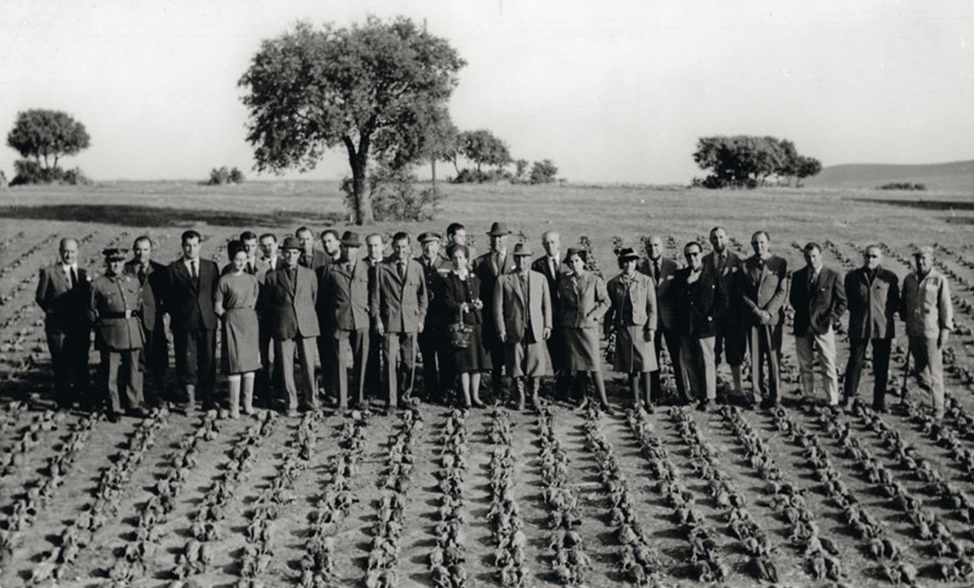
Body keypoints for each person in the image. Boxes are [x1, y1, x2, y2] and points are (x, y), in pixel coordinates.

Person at [263, 236, 320, 415]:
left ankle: (311, 399)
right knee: (286, 367)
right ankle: (291, 403)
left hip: (306, 325)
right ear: (282, 254)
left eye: (294, 253)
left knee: (309, 365)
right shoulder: (272, 276)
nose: (290, 256)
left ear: (299, 254)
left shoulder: (310, 274)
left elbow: (314, 298)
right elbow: (268, 304)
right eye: (287, 253)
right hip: (283, 325)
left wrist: (305, 315)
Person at [372, 232, 428, 410]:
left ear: (409, 248)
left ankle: (405, 396)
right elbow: (375, 298)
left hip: (410, 321)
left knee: (409, 362)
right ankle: (391, 400)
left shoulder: (417, 267)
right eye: (397, 247)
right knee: (389, 361)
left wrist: (421, 318)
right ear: (392, 247)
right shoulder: (382, 267)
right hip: (390, 321)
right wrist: (377, 320)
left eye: (404, 247)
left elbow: (423, 296)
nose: (400, 251)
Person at [165, 230, 219, 413]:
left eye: (195, 245)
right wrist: (180, 317)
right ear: (182, 246)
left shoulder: (210, 267)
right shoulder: (173, 269)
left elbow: (214, 294)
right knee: (186, 361)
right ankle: (189, 399)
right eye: (188, 245)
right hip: (184, 323)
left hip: (207, 321)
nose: (191, 249)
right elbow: (169, 299)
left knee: (208, 360)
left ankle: (208, 398)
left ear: (200, 246)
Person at [35, 237, 92, 409]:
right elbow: (41, 298)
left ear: (78, 252)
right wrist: (55, 313)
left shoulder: (83, 274)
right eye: (66, 251)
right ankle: (64, 401)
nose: (69, 255)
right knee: (61, 363)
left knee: (81, 362)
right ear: (60, 252)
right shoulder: (50, 272)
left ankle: (84, 400)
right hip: (58, 328)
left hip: (79, 326)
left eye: (72, 251)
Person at [495, 243, 552, 410]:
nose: (522, 261)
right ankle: (520, 395)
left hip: (535, 327)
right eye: (518, 257)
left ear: (530, 258)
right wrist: (501, 328)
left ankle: (534, 394)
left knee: (536, 362)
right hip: (514, 327)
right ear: (514, 258)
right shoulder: (504, 280)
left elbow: (546, 304)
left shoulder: (539, 278)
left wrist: (547, 325)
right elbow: (498, 308)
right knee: (515, 362)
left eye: (525, 257)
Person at [90, 248, 145, 421]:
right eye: (113, 261)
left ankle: (132, 404)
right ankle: (113, 407)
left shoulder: (133, 281)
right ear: (107, 263)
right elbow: (90, 310)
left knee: (132, 370)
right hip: (110, 332)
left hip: (131, 330)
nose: (116, 265)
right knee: (110, 373)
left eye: (120, 261)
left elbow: (138, 306)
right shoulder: (98, 285)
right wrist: (100, 327)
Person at [843, 245, 900, 412]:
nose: (870, 259)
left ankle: (879, 400)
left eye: (874, 256)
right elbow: (849, 302)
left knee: (881, 364)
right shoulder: (853, 277)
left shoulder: (889, 278)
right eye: (868, 256)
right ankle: (849, 399)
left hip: (882, 327)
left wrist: (883, 315)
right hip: (859, 326)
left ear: (880, 259)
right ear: (863, 256)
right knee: (855, 362)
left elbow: (894, 302)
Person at [318, 231, 371, 410]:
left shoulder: (366, 268)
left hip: (361, 319)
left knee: (361, 360)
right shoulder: (330, 269)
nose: (349, 251)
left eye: (353, 247)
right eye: (346, 247)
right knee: (339, 361)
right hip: (339, 320)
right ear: (341, 247)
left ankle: (359, 398)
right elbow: (324, 298)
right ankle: (341, 400)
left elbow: (373, 293)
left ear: (357, 249)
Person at [790, 242, 847, 407]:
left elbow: (842, 302)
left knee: (828, 362)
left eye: (814, 256)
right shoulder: (799, 276)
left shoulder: (832, 275)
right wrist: (804, 314)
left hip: (823, 327)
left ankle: (832, 398)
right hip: (802, 325)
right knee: (805, 363)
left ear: (820, 256)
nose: (811, 260)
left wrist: (831, 319)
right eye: (808, 256)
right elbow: (794, 299)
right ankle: (809, 395)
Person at [901, 245, 954, 421]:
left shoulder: (939, 280)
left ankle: (938, 407)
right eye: (918, 259)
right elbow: (904, 303)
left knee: (935, 372)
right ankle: (925, 402)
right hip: (914, 331)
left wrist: (945, 330)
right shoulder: (909, 279)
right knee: (919, 370)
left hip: (931, 332)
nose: (921, 262)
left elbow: (946, 306)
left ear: (931, 260)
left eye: (924, 258)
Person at [673, 241, 727, 411]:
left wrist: (711, 317)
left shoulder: (713, 275)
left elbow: (723, 300)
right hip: (686, 326)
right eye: (688, 255)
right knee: (689, 360)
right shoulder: (681, 276)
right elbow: (677, 299)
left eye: (695, 254)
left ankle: (710, 397)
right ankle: (697, 395)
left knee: (707, 361)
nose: (692, 258)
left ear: (701, 255)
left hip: (705, 327)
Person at [738, 231, 788, 409]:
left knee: (774, 359)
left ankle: (776, 397)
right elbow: (742, 293)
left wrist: (768, 312)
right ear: (751, 245)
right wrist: (756, 311)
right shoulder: (746, 265)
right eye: (755, 243)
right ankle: (757, 397)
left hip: (772, 320)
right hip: (753, 320)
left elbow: (782, 291)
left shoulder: (780, 263)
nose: (758, 246)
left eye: (762, 242)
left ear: (768, 243)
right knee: (755, 359)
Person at [557, 248, 612, 412]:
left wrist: (594, 316)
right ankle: (584, 399)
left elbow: (605, 302)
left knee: (594, 365)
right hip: (571, 329)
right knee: (578, 365)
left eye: (577, 261)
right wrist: (564, 320)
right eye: (571, 262)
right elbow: (562, 305)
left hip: (588, 328)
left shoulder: (594, 280)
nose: (574, 265)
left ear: (583, 262)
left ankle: (604, 401)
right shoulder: (564, 281)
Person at [605, 247, 657, 409]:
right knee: (631, 366)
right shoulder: (614, 283)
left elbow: (652, 307)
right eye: (626, 262)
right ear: (621, 264)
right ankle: (635, 400)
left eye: (632, 261)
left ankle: (647, 401)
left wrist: (651, 328)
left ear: (636, 263)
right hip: (624, 328)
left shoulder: (645, 281)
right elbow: (610, 308)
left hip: (641, 329)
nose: (629, 265)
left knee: (646, 365)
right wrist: (608, 327)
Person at [637, 235, 687, 403]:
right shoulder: (640, 267)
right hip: (650, 321)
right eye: (649, 246)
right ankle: (654, 395)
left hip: (671, 319)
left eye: (656, 245)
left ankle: (684, 393)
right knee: (652, 358)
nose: (653, 249)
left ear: (662, 247)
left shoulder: (673, 266)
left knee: (678, 358)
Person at [215, 240, 261, 418]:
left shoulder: (251, 280)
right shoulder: (224, 281)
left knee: (249, 364)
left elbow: (254, 300)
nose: (241, 263)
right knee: (234, 364)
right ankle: (234, 407)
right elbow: (218, 306)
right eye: (237, 259)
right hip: (232, 323)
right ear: (230, 259)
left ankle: (247, 404)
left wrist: (247, 314)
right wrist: (228, 319)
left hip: (249, 321)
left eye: (244, 259)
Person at [441, 244, 489, 408]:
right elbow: (448, 302)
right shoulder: (449, 280)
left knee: (476, 364)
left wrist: (478, 303)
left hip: (475, 324)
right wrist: (465, 306)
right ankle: (467, 399)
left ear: (466, 259)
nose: (458, 261)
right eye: (455, 258)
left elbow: (479, 295)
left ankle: (476, 397)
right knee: (464, 365)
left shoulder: (474, 278)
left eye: (461, 257)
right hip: (460, 326)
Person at [473, 222, 517, 401]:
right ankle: (496, 388)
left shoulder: (516, 261)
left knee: (514, 353)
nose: (497, 241)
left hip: (513, 315)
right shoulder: (481, 262)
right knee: (495, 354)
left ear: (507, 238)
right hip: (490, 316)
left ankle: (515, 389)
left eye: (501, 237)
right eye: (494, 237)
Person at [702, 227, 747, 399]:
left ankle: (738, 387)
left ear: (727, 239)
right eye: (714, 238)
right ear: (710, 240)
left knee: (735, 351)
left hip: (733, 316)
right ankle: (712, 387)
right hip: (713, 315)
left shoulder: (738, 262)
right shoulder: (705, 261)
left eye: (721, 237)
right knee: (713, 351)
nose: (718, 241)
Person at [124, 236, 168, 405]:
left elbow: (167, 297)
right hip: (133, 322)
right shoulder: (126, 269)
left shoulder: (160, 271)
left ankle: (158, 395)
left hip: (153, 320)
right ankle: (137, 396)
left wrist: (158, 312)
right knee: (137, 359)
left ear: (151, 251)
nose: (141, 253)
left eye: (145, 249)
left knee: (157, 356)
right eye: (138, 249)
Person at [531, 231, 568, 399]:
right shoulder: (538, 265)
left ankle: (573, 388)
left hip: (569, 317)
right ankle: (561, 389)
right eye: (546, 243)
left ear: (559, 243)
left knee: (571, 353)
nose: (550, 246)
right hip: (550, 317)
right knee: (556, 353)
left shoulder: (571, 262)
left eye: (553, 242)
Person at [416, 232, 451, 403]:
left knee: (444, 357)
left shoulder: (447, 264)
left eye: (432, 244)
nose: (428, 248)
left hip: (443, 318)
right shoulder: (415, 265)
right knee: (427, 356)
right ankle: (431, 390)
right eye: (425, 244)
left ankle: (445, 390)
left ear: (438, 246)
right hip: (424, 319)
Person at [255, 233, 282, 408]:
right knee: (262, 354)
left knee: (281, 353)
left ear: (277, 245)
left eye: (270, 244)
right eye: (264, 245)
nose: (268, 248)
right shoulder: (256, 266)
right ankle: (263, 390)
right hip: (262, 316)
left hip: (280, 316)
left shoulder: (284, 263)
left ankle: (279, 388)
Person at [364, 233, 386, 399]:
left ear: (383, 246)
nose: (373, 249)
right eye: (370, 246)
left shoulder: (389, 265)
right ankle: (372, 387)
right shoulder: (362, 265)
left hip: (388, 314)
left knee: (389, 353)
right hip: (367, 315)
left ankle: (389, 387)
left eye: (376, 245)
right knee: (371, 352)